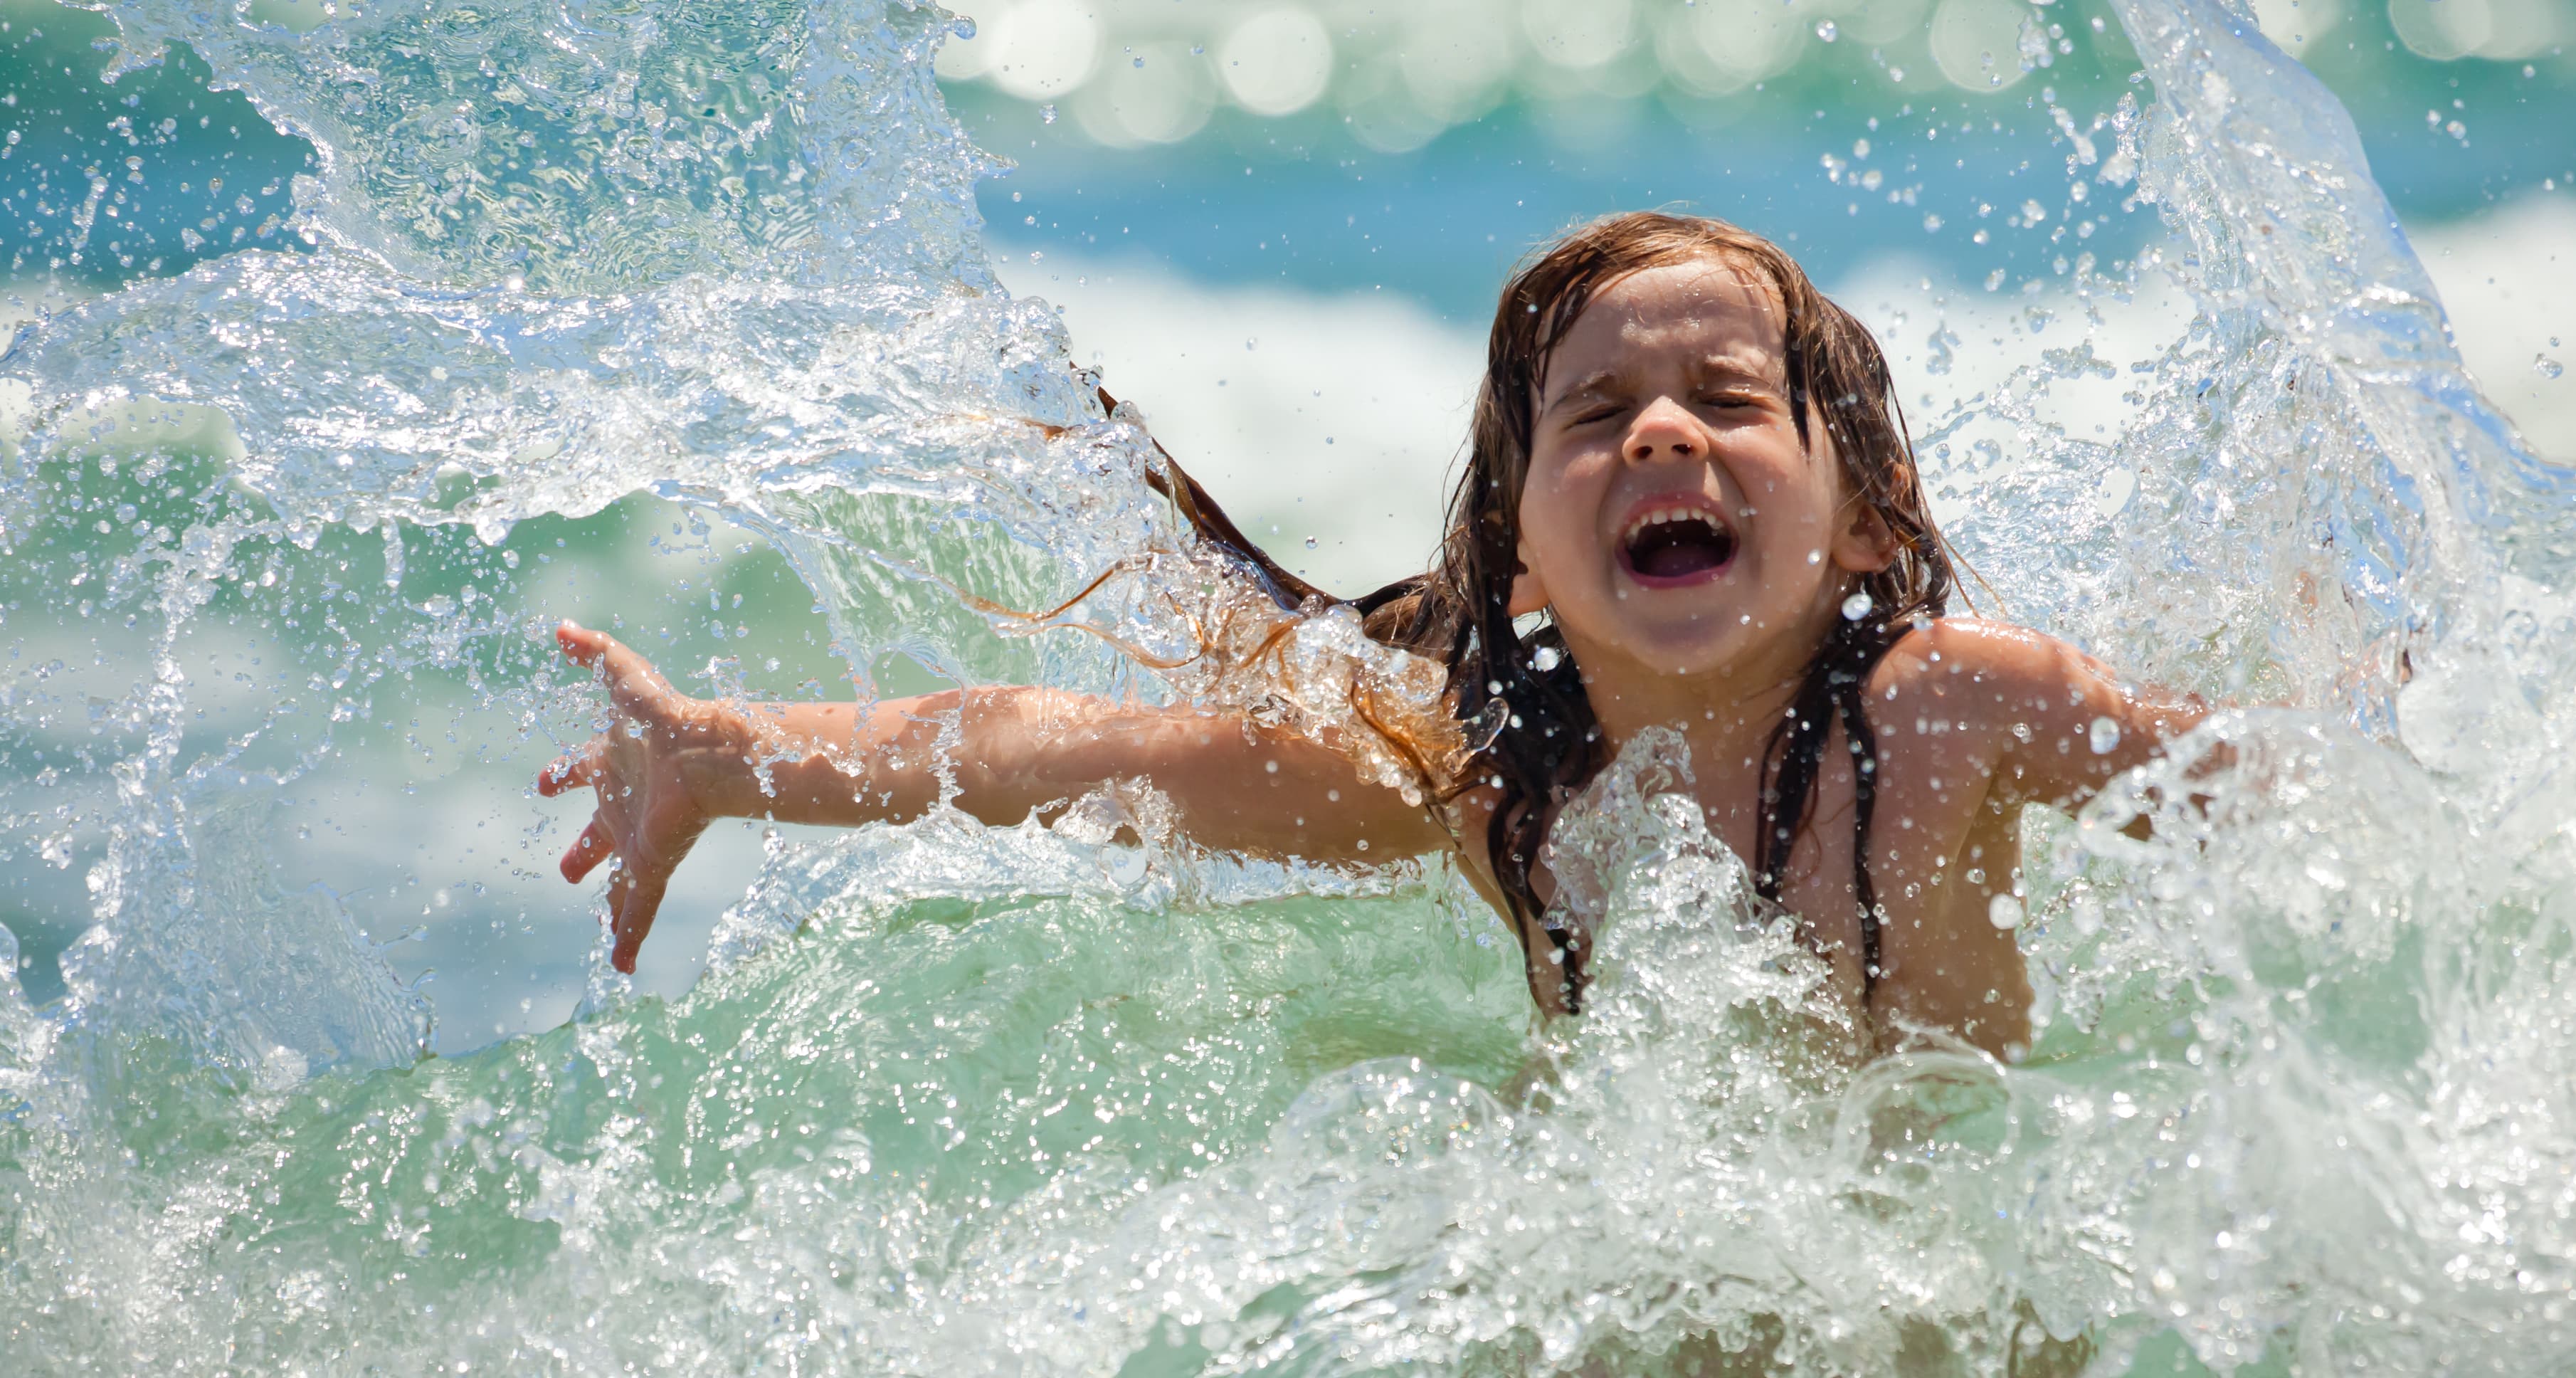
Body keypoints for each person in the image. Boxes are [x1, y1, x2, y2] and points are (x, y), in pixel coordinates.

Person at [537, 212, 2209, 1057]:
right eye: (1598, 414)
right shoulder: (1492, 787)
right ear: (1526, 559)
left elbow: (2302, 809)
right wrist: (721, 757)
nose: (1660, 437)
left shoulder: (1950, 716)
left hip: (1956, 1350)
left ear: (1868, 521)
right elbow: (1073, 750)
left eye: (1727, 399)